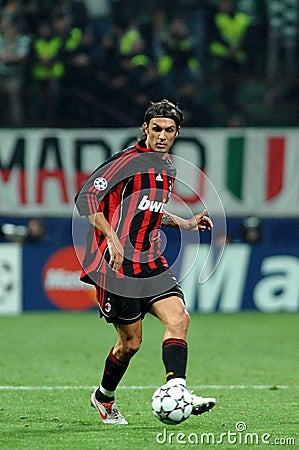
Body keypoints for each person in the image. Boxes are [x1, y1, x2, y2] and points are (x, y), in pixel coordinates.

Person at [75, 99, 216, 425]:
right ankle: (103, 397)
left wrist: (185, 223)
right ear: (145, 129)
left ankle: (177, 389)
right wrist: (111, 236)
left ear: (177, 132)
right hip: (115, 267)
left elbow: (148, 210)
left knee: (179, 318)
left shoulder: (167, 168)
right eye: (156, 128)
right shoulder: (125, 162)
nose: (162, 135)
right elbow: (86, 198)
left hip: (150, 260)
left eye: (169, 130)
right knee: (130, 343)